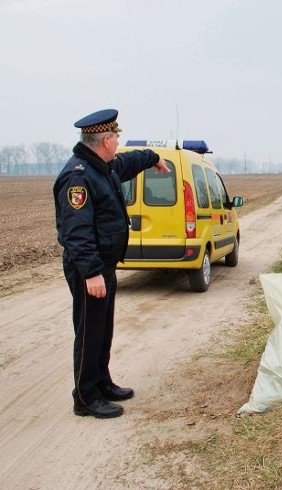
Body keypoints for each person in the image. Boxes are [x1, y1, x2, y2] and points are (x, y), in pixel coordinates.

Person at [54, 109, 170, 419]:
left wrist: (153, 157)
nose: (118, 142)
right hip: (89, 268)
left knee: (103, 329)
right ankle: (85, 397)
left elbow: (129, 162)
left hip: (105, 264)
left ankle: (102, 383)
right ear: (105, 140)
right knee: (90, 331)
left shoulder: (102, 167)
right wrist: (91, 272)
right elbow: (75, 233)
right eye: (116, 137)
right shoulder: (78, 177)